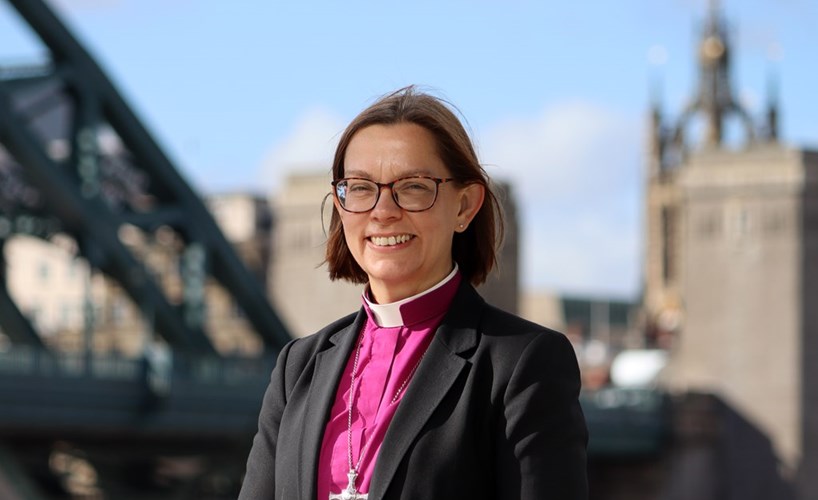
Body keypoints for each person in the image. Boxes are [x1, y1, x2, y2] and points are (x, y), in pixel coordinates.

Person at [238, 86, 588, 500]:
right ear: (340, 204)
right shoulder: (297, 368)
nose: (383, 211)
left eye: (414, 187)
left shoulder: (523, 365)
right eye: (361, 188)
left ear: (465, 206)